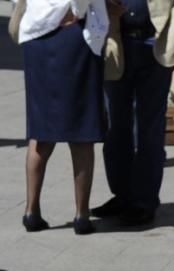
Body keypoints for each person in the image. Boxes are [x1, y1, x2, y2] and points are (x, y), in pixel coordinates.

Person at [91, 0, 174, 225]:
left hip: (155, 44)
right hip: (116, 42)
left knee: (149, 128)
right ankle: (122, 195)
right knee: (116, 126)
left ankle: (143, 201)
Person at [17, 0, 117, 235]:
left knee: (41, 131)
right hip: (73, 34)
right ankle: (81, 215)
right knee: (82, 131)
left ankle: (31, 211)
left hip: (35, 35)